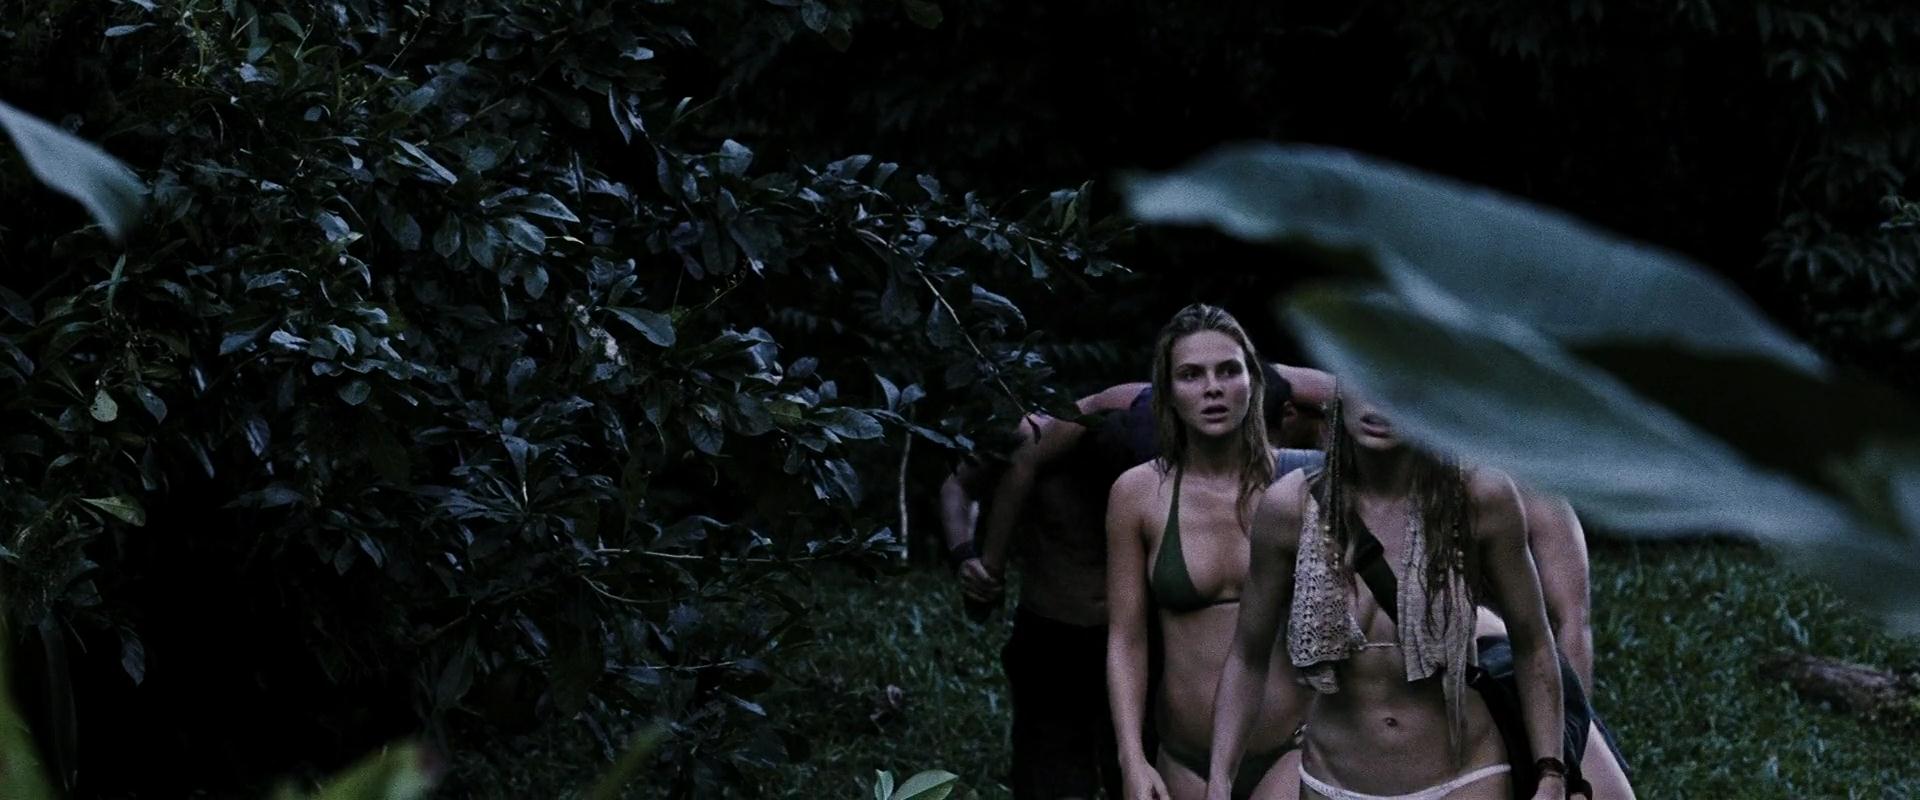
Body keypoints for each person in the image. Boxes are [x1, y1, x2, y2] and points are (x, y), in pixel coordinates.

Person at [1208, 391, 1567, 800]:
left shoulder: (1480, 498)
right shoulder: (1289, 507)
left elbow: (1533, 642)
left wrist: (1551, 773)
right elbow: (1247, 654)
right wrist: (1219, 780)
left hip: (1465, 776)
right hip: (1334, 779)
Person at [1105, 304, 1311, 800]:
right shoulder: (1138, 494)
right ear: (1167, 392)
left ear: (1252, 380)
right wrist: (1131, 757)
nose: (1212, 388)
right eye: (1191, 375)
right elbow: (1126, 638)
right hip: (1183, 759)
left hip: (1294, 751)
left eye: (1228, 370)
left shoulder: (1306, 485)